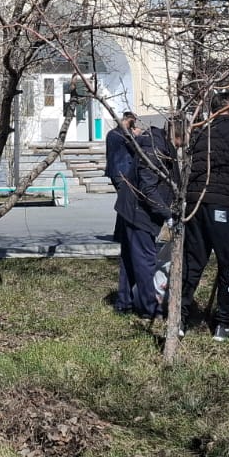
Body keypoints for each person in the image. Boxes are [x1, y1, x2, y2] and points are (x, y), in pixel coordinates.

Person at [179, 91, 229, 341]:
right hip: (223, 205)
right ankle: (223, 324)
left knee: (192, 262)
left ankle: (179, 320)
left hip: (195, 204)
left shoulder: (200, 130)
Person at [123, 118, 176, 321]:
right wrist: (168, 214)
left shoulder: (162, 146)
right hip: (139, 211)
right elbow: (149, 188)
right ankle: (150, 308)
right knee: (145, 260)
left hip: (135, 209)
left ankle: (125, 302)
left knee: (130, 259)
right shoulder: (156, 151)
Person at [103, 110, 140, 314]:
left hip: (115, 172)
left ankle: (119, 231)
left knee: (122, 203)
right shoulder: (122, 134)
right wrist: (136, 136)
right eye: (131, 123)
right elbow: (134, 148)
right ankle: (121, 230)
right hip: (122, 173)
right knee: (125, 204)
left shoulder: (111, 133)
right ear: (127, 120)